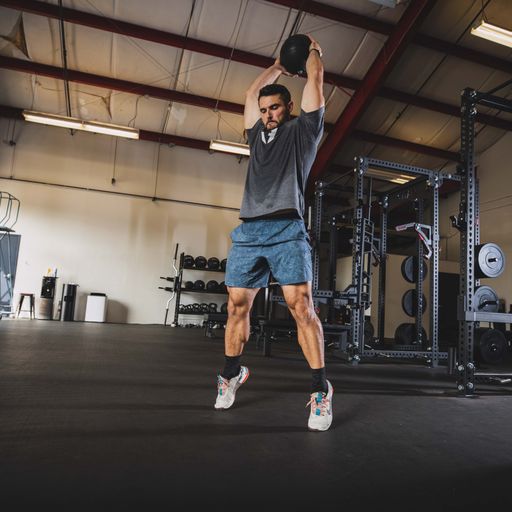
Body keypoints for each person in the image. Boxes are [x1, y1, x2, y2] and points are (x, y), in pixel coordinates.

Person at [214, 35, 333, 432]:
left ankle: (320, 390)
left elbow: (315, 83)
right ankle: (231, 374)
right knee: (236, 307)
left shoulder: (304, 132)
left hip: (287, 228)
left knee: (301, 306)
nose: (267, 113)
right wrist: (280, 64)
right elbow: (251, 91)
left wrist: (313, 53)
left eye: (275, 107)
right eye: (264, 109)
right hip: (249, 231)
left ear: (290, 108)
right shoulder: (254, 136)